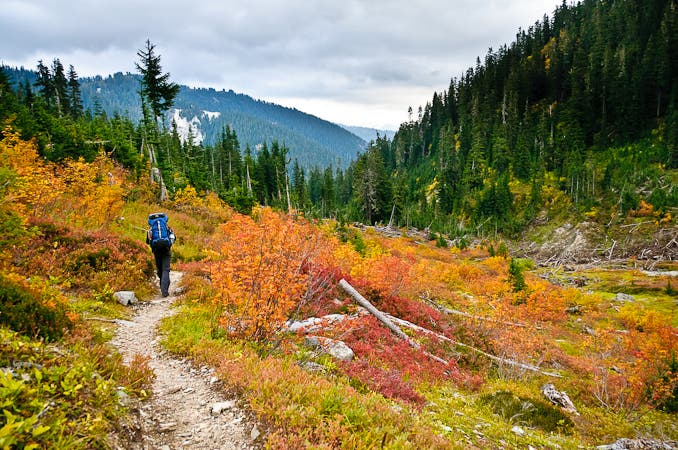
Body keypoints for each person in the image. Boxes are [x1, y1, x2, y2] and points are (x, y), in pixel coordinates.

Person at [146, 212, 176, 297]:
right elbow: (173, 237)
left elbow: (148, 242)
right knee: (166, 269)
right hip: (166, 250)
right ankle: (164, 291)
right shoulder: (167, 228)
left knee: (160, 270)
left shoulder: (151, 230)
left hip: (156, 251)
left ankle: (163, 286)